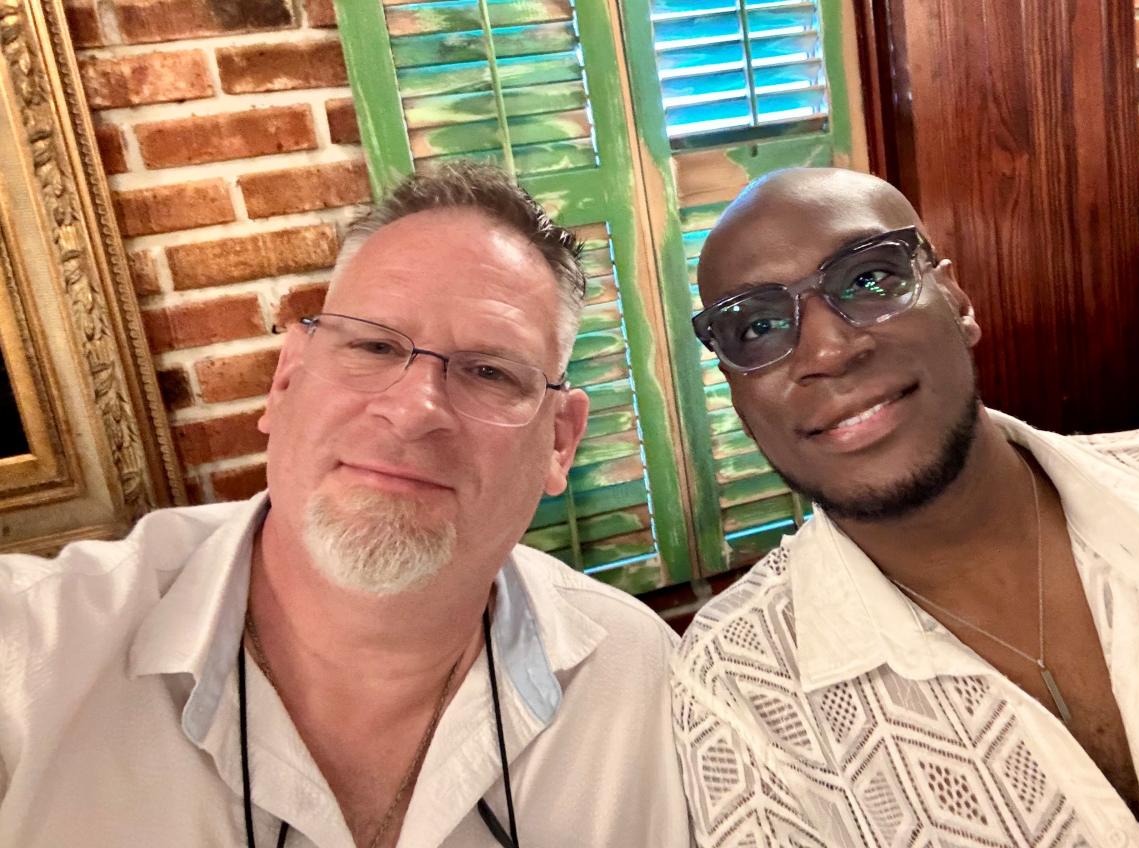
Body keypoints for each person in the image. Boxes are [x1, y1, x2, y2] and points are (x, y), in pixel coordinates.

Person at [671, 167, 1139, 847]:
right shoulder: (739, 687)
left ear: (958, 299)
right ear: (738, 394)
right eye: (756, 327)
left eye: (870, 279)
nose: (831, 349)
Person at [0, 162, 691, 847]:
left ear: (559, 443)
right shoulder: (32, 656)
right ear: (286, 380)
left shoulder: (644, 687)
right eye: (373, 345)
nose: (415, 409)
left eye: (489, 371)